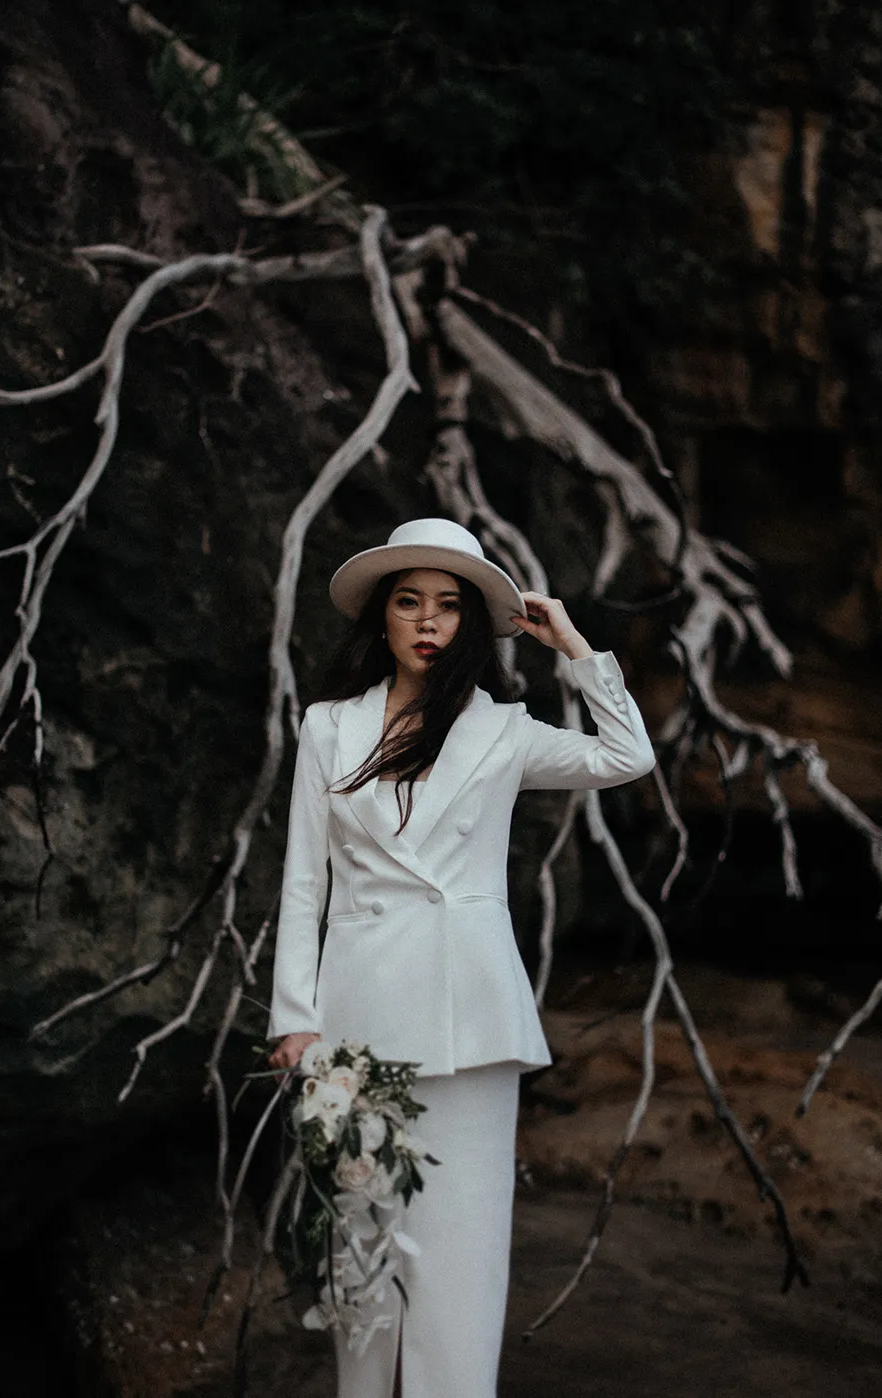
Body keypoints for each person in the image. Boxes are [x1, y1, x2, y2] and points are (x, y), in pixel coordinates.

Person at [267, 517, 655, 1398]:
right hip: (355, 1019)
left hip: (472, 1019)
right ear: (385, 620)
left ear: (473, 626)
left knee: (464, 1250)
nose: (429, 621)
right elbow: (302, 884)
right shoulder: (328, 728)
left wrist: (573, 646)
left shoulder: (505, 733)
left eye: (448, 606)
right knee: (358, 1240)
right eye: (409, 603)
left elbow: (628, 755)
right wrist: (293, 1018)